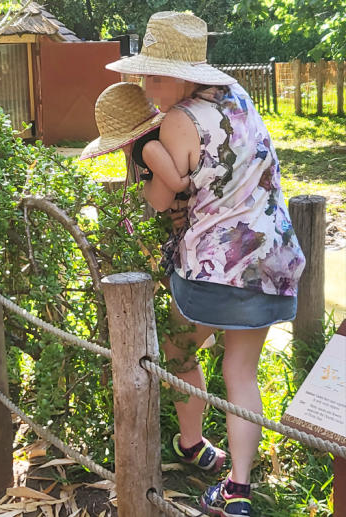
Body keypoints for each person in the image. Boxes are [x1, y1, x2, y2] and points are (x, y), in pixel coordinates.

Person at [105, 12, 305, 516]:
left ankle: (193, 444)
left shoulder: (176, 120)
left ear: (186, 73)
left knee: (177, 348)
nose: (149, 86)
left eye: (157, 74)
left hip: (214, 265)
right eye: (145, 74)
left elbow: (161, 197)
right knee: (242, 370)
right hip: (272, 256)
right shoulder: (237, 95)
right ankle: (237, 489)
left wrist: (145, 154)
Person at [79, 81, 189, 278]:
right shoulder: (168, 135)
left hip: (186, 220)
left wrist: (146, 188)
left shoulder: (144, 148)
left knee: (168, 274)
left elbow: (161, 200)